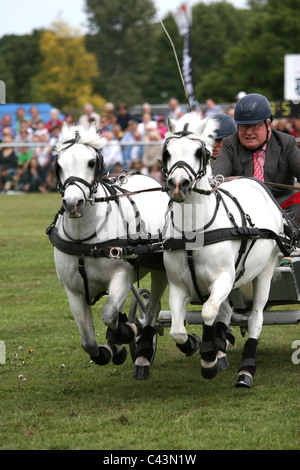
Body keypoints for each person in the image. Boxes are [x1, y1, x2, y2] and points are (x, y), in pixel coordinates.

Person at [212, 93, 300, 226]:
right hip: (242, 210)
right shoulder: (230, 143)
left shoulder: (286, 142)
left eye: (255, 126)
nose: (248, 132)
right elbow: (217, 177)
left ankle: (289, 231)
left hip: (281, 209)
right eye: (244, 126)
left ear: (268, 125)